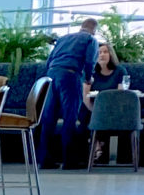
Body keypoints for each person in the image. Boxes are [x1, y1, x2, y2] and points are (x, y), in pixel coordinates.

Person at [37, 16, 100, 171]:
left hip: (52, 75)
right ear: (94, 29)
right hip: (71, 76)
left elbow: (49, 59)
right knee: (70, 117)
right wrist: (88, 78)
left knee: (49, 118)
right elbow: (90, 61)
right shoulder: (90, 40)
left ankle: (45, 160)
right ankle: (69, 161)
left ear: (82, 26)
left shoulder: (63, 38)